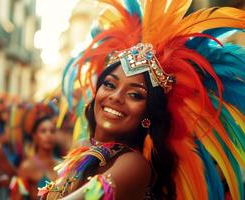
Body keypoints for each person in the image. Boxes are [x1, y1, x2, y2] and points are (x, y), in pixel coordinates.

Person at [38, 0, 245, 200]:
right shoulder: (83, 155)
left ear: (148, 115)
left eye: (135, 95)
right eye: (109, 84)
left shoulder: (132, 163)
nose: (116, 97)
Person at [10, 115, 59, 200]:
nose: (48, 135)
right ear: (35, 136)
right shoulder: (26, 167)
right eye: (43, 131)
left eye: (52, 131)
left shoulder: (62, 165)